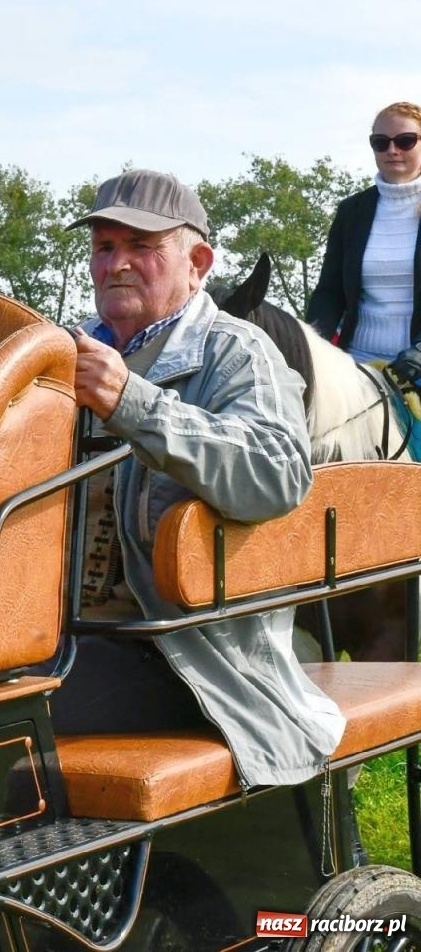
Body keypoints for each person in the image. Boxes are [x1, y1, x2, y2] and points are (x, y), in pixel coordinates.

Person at [53, 168, 344, 788]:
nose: (117, 264)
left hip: (190, 656)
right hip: (54, 635)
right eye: (105, 246)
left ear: (198, 264)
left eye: (142, 246)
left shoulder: (237, 352)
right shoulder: (56, 358)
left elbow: (277, 472)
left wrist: (132, 402)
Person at [307, 102, 421, 386]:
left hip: (416, 367)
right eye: (380, 142)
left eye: (405, 141)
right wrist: (312, 344)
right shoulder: (351, 211)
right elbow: (329, 292)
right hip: (355, 366)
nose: (392, 150)